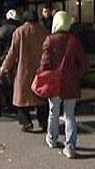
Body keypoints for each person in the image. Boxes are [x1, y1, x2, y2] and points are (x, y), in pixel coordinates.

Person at [38, 11, 89, 159]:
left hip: (54, 83)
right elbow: (84, 64)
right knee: (70, 116)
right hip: (71, 83)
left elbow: (44, 63)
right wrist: (76, 74)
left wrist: (43, 74)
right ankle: (70, 146)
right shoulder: (74, 40)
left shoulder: (49, 40)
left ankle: (52, 138)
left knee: (53, 112)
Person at [0, 10, 49, 132]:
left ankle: (26, 122)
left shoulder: (20, 31)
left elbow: (13, 53)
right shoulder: (43, 31)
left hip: (24, 69)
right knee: (41, 98)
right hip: (41, 69)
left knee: (22, 98)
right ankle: (43, 122)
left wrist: (4, 67)